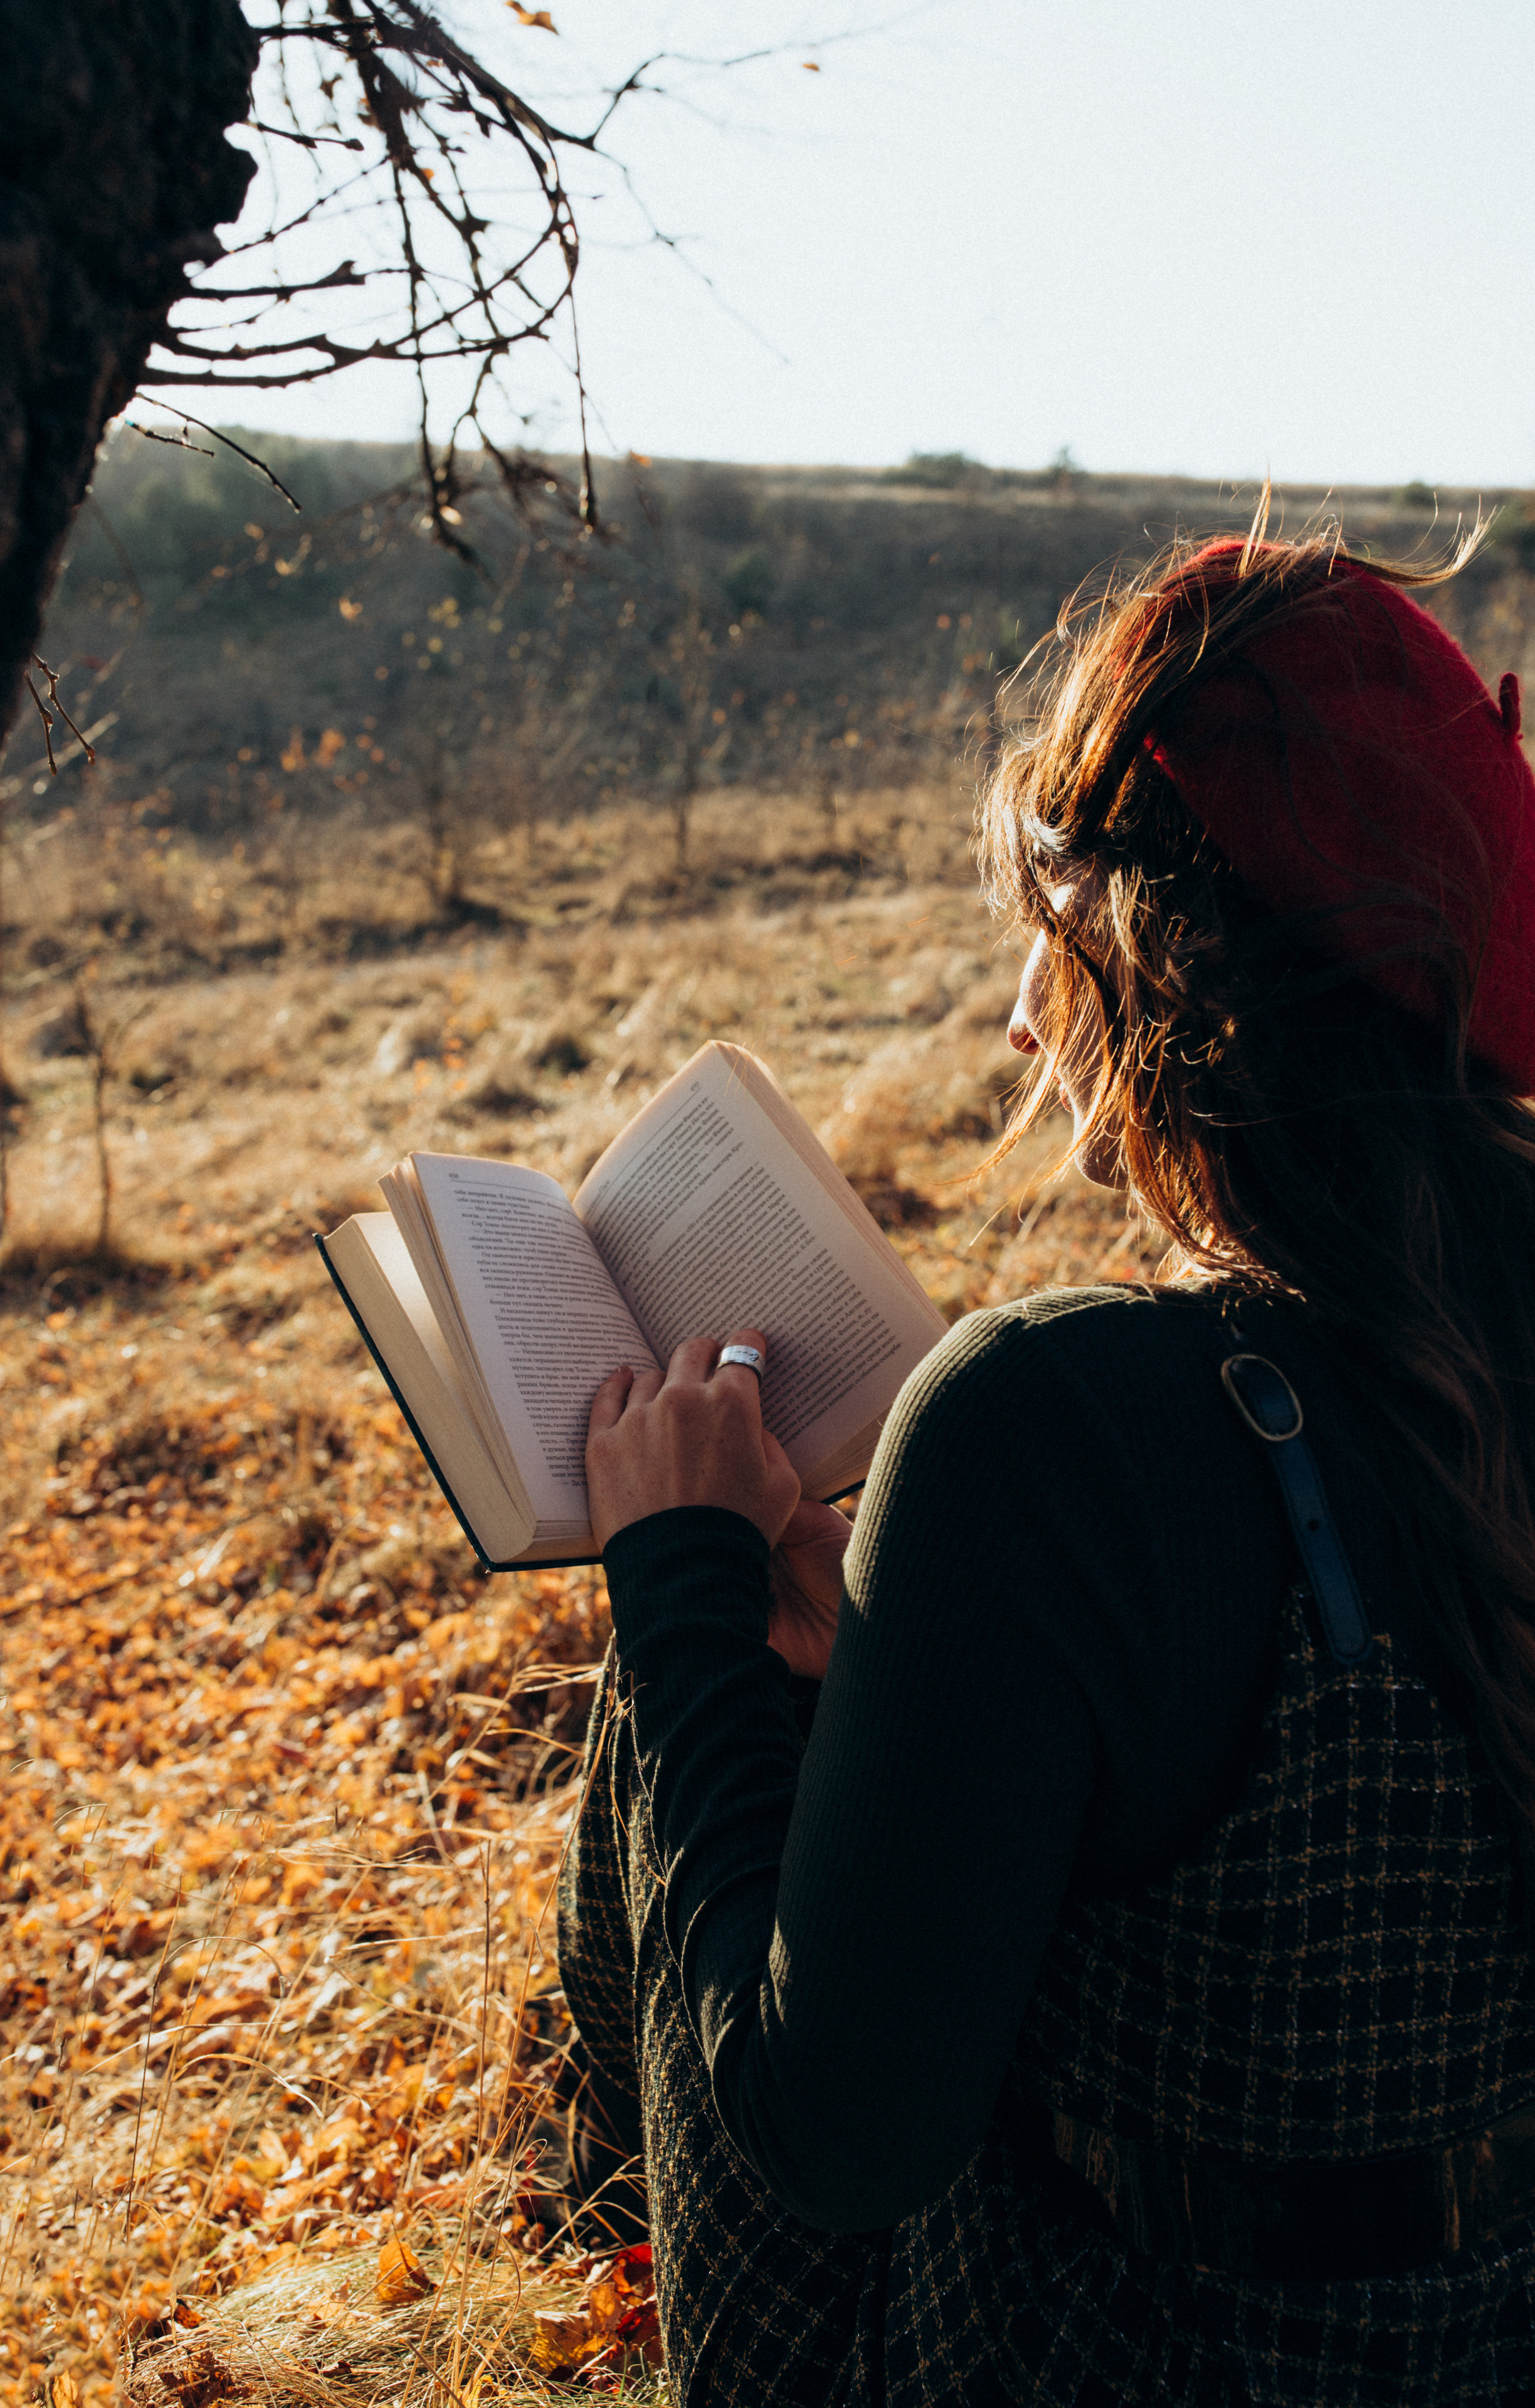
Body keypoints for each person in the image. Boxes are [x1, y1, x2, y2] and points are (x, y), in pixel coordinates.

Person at [555, 517, 1535, 2406]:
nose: (1021, 1013)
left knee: (699, 1703)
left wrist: (684, 1594)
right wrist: (910, 1665)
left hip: (1107, 2352)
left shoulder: (1053, 1422)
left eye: (1051, 926)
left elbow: (827, 2144)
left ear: (1152, 957)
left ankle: (574, 2215)